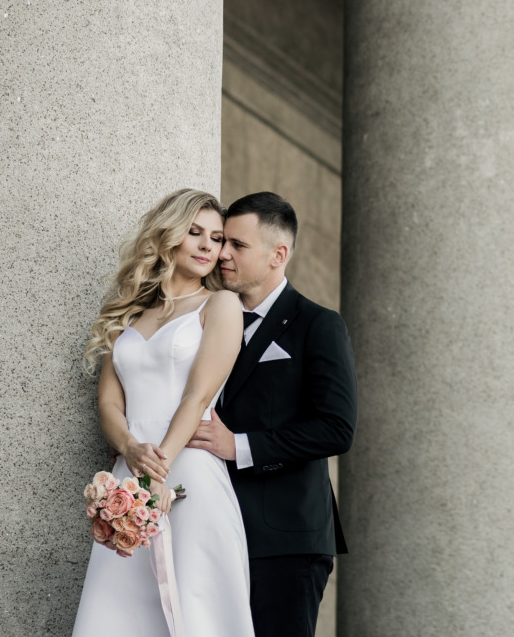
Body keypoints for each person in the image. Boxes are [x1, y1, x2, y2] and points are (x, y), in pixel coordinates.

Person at [71, 189, 253, 637]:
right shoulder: (128, 315)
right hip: (127, 475)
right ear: (169, 236)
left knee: (196, 611)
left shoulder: (220, 305)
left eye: (216, 237)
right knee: (117, 613)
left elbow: (197, 396)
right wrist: (131, 450)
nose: (208, 245)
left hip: (186, 467)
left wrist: (158, 468)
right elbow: (109, 403)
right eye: (195, 233)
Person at [187, 192, 357, 637]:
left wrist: (239, 445)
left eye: (237, 246)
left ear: (278, 254)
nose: (222, 253)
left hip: (285, 540)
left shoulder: (318, 324)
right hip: (207, 527)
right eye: (224, 241)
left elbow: (336, 429)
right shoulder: (198, 323)